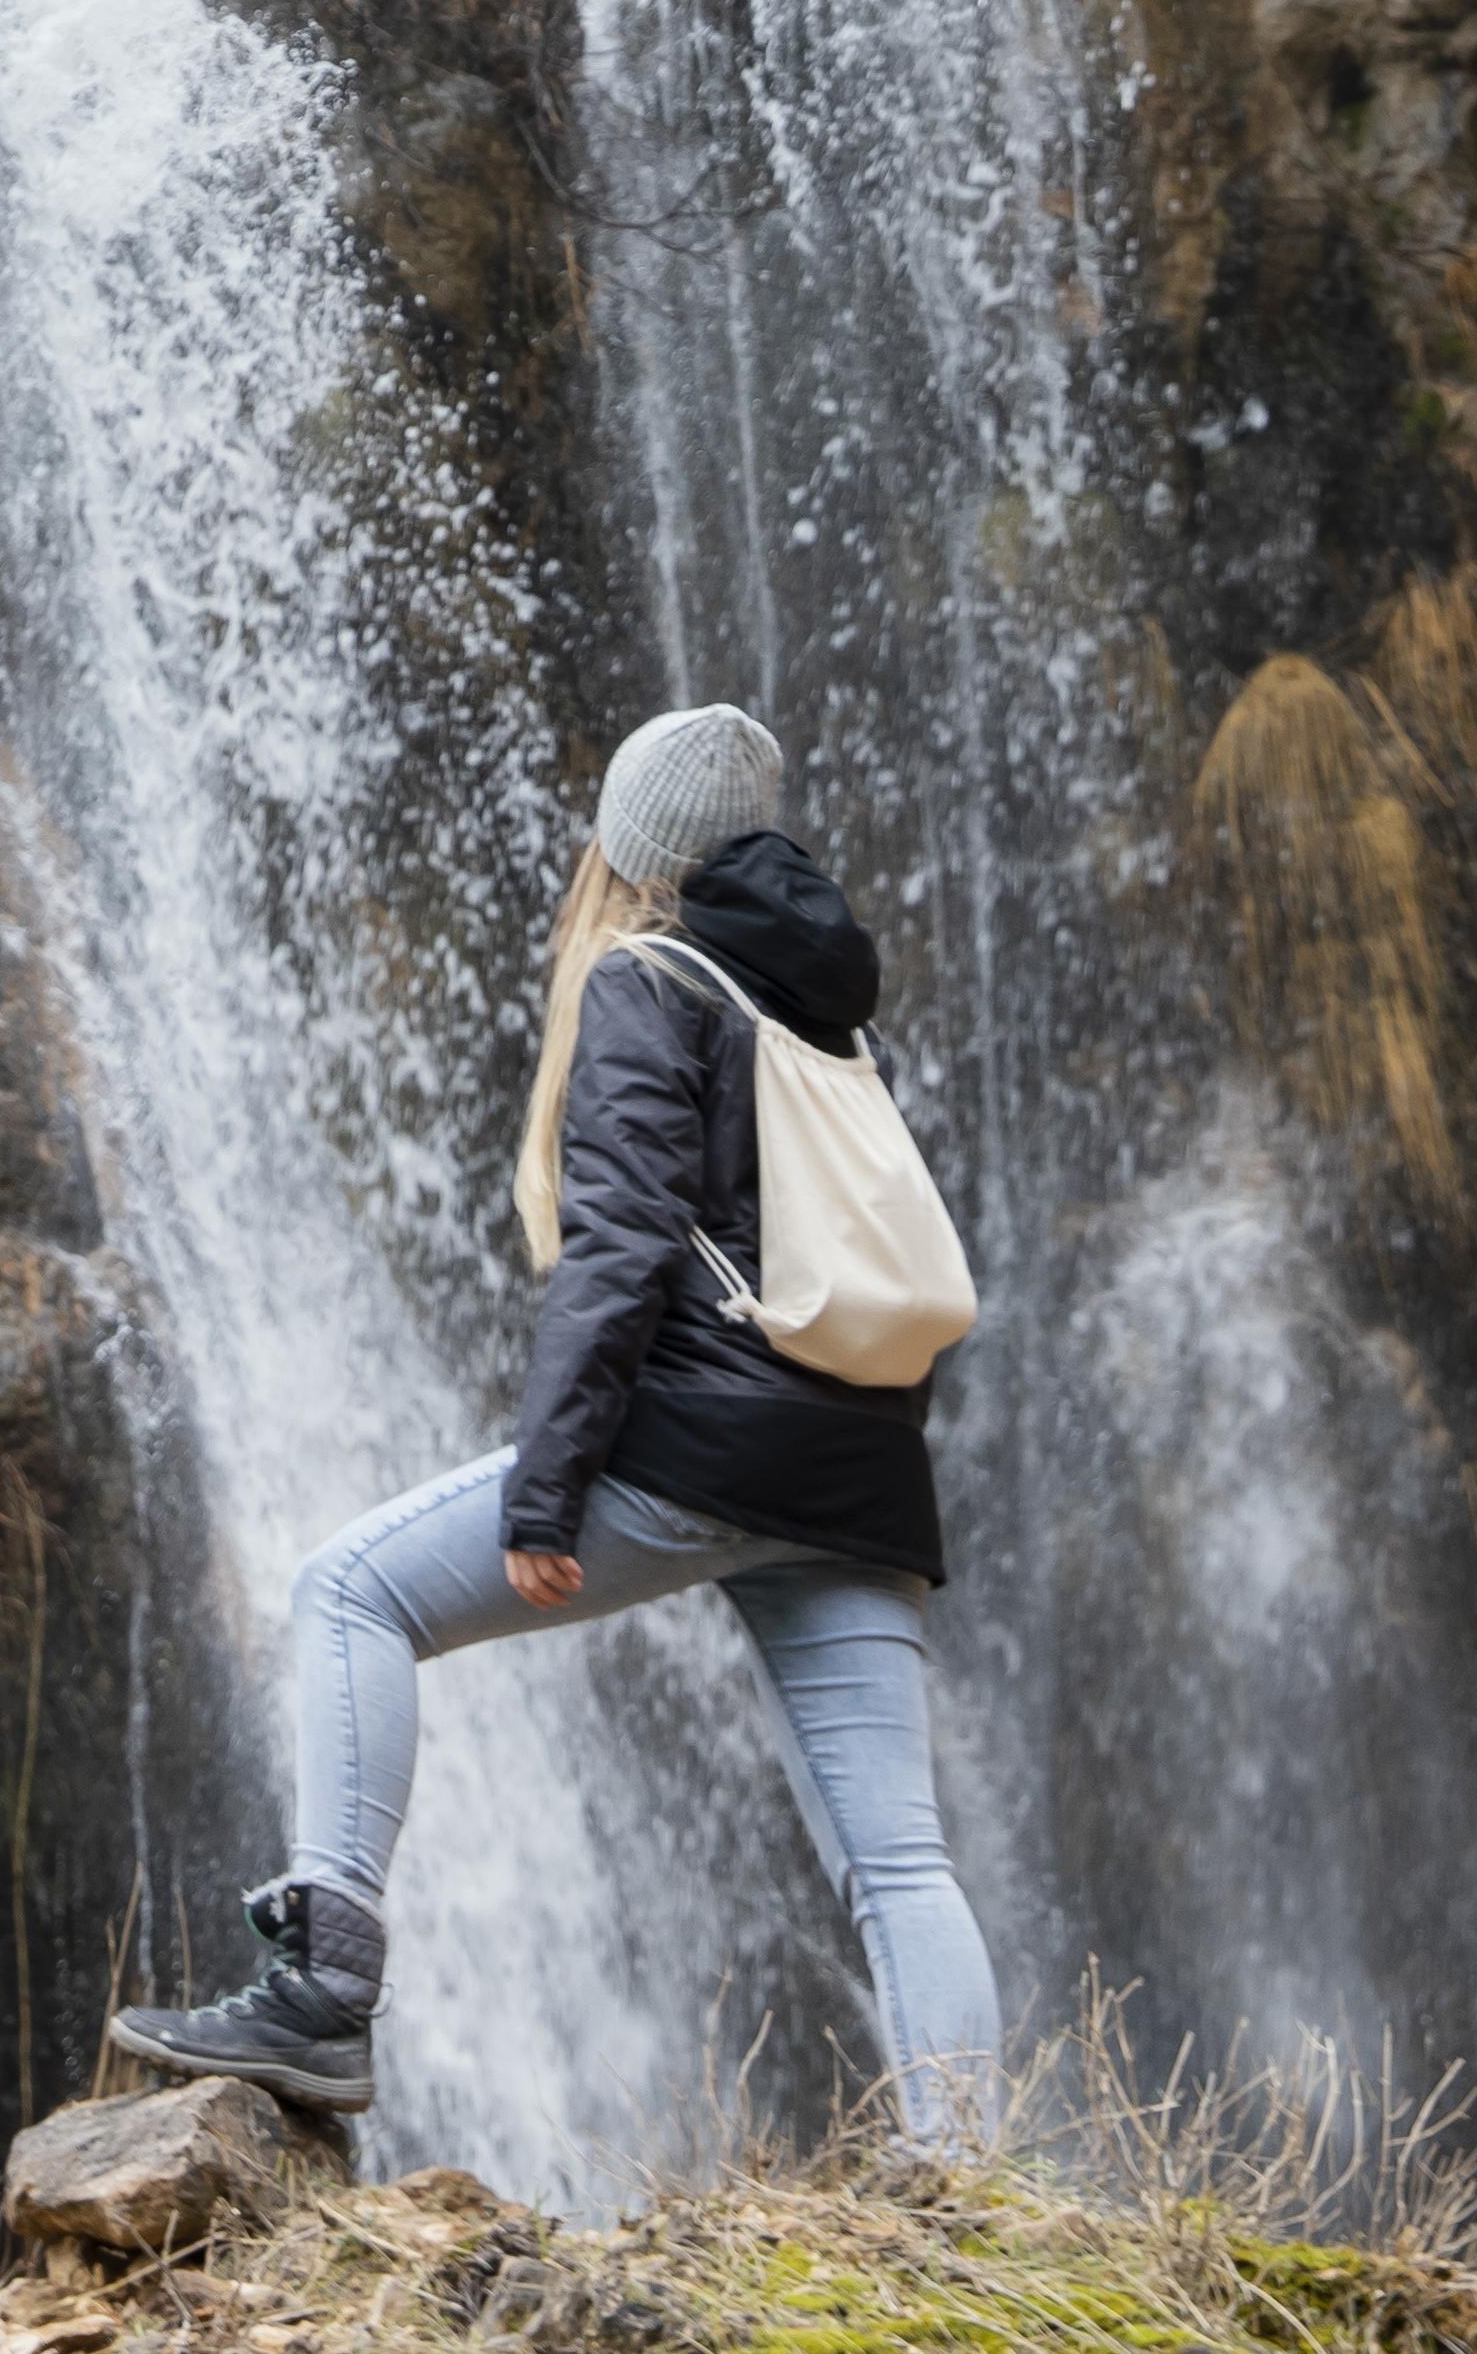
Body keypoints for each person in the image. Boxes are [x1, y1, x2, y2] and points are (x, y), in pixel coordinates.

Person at [106, 701, 1003, 2134]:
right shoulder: (833, 1013)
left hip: (701, 1452)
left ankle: (322, 1994)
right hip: (858, 1472)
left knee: (348, 1590)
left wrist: (550, 1486)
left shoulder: (649, 976)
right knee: (900, 1862)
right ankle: (970, 2175)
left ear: (632, 844)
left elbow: (620, 1249)